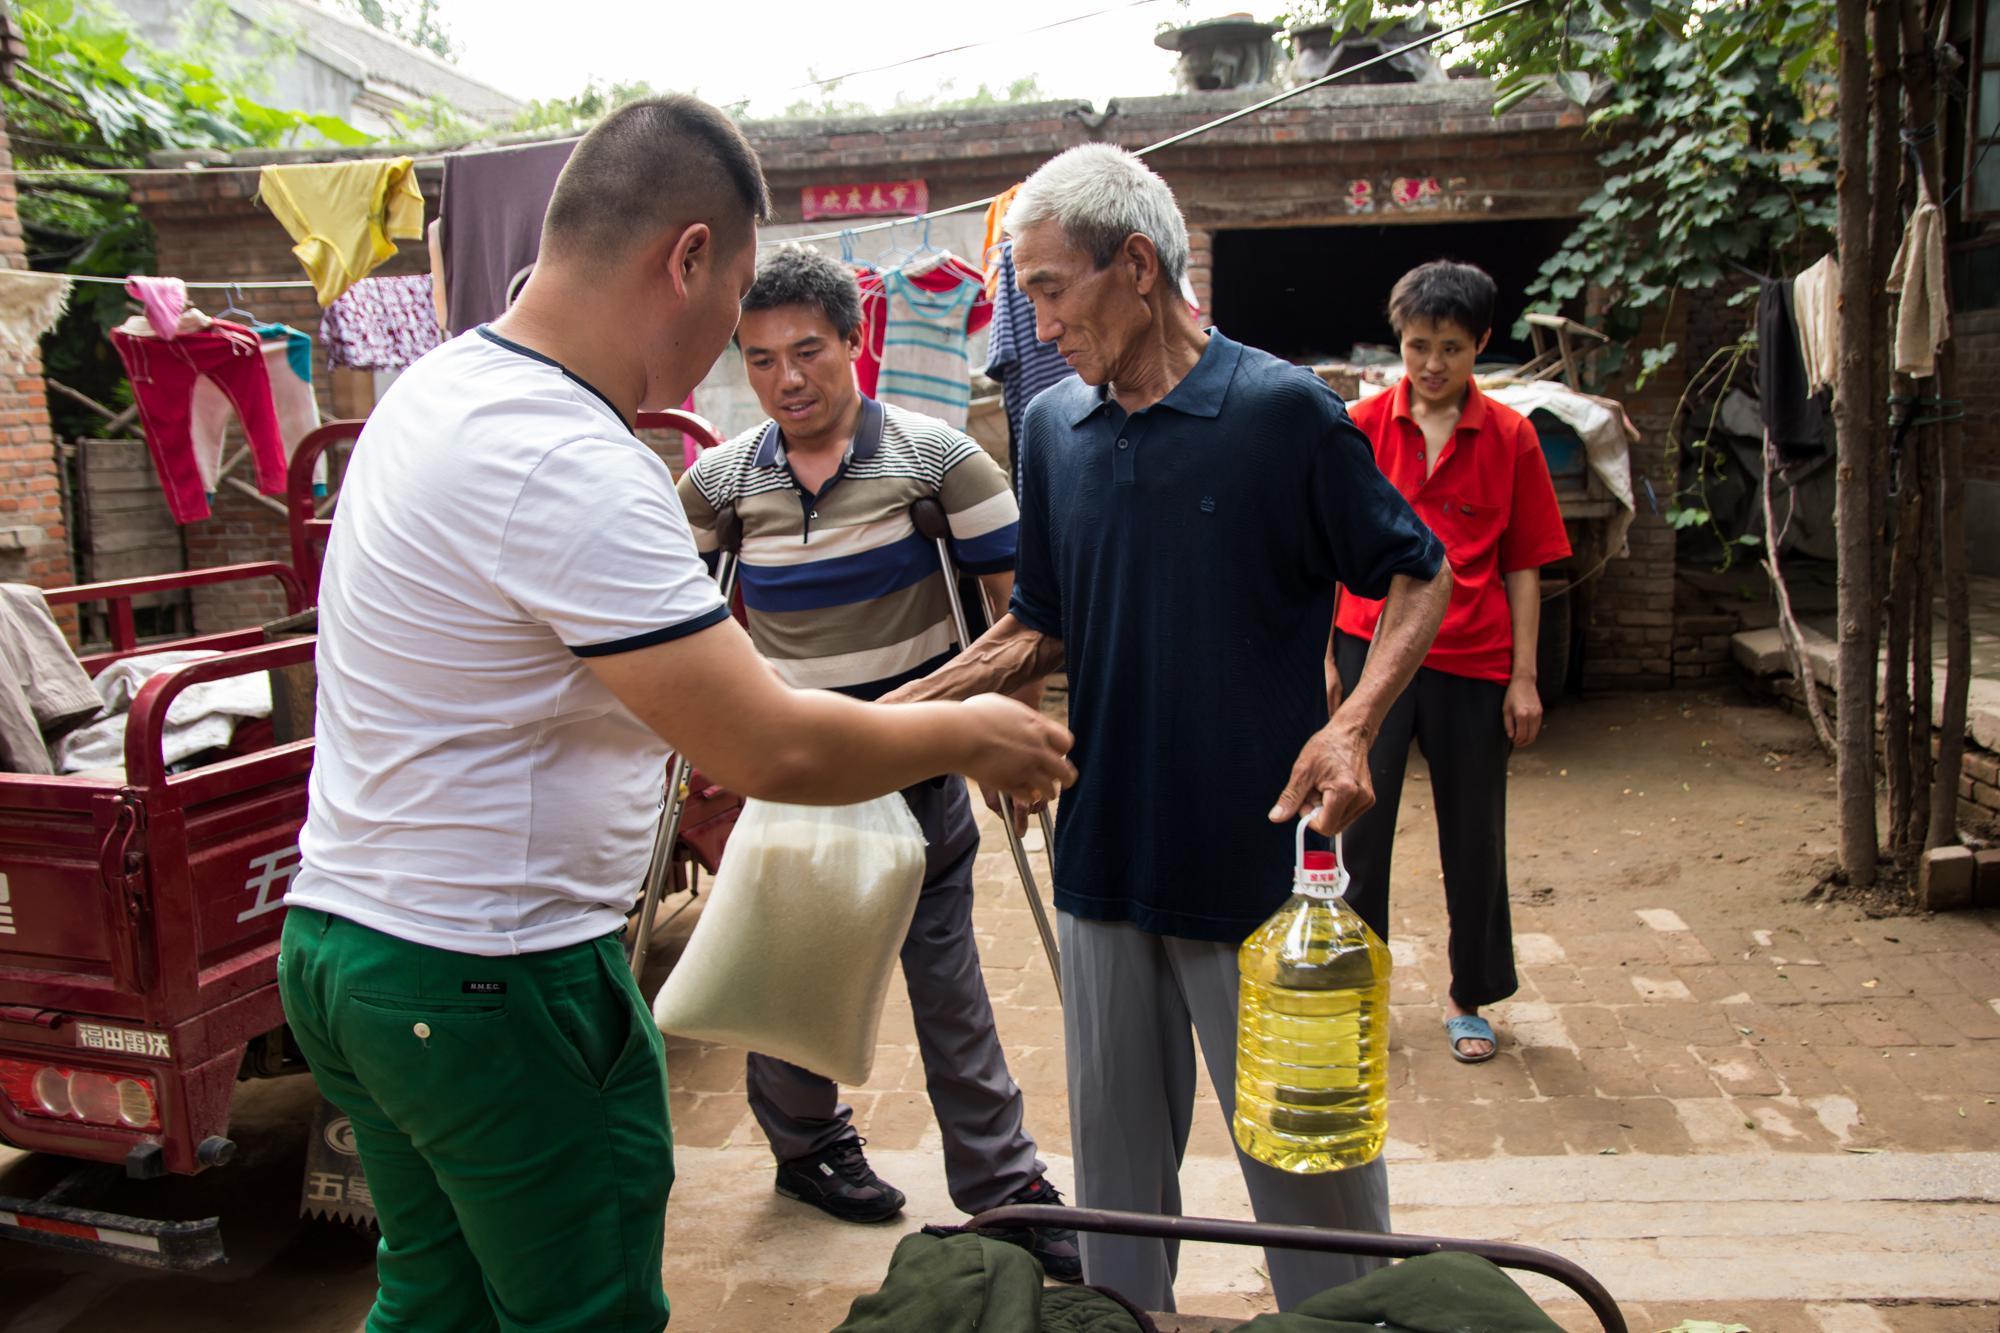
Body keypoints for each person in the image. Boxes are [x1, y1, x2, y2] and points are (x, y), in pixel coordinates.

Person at [277, 97, 1075, 1333]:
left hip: (350, 949)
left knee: (434, 1296)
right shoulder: (573, 456)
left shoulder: (440, 390)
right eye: (739, 309)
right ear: (688, 257)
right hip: (491, 974)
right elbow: (769, 741)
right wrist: (973, 732)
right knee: (581, 1309)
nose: (740, 355)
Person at [884, 144, 1454, 1314]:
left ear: (1135, 266)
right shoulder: (1050, 428)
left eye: (1048, 288)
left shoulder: (1279, 412)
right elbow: (1037, 621)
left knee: (1317, 1198)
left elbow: (1417, 570)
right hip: (1100, 868)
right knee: (1116, 1206)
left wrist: (1351, 722)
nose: (1033, 321)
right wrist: (867, 728)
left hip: (1260, 877)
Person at [675, 244, 1079, 1278]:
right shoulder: (719, 484)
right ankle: (807, 1147)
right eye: (759, 360)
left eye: (807, 351)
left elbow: (1017, 613)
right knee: (790, 959)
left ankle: (1001, 1183)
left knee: (943, 978)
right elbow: (686, 630)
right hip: (793, 770)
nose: (787, 380)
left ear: (857, 339)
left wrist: (1007, 735)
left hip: (915, 763)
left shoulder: (939, 462)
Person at [1332, 260, 1572, 1064]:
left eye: (1452, 349)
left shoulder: (1512, 436)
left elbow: (1526, 562)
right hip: (1372, 650)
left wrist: (1526, 674)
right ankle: (1359, 993)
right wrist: (1327, 662)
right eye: (1418, 346)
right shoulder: (1360, 426)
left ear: (1483, 347)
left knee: (1475, 834)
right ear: (1397, 342)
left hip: (1474, 656)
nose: (1432, 366)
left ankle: (1470, 995)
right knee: (1357, 827)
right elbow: (1328, 552)